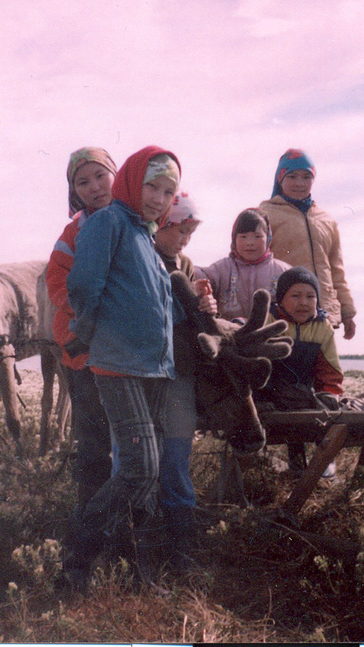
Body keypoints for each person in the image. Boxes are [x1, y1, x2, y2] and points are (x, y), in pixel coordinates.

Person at [61, 145, 183, 592]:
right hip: (119, 364)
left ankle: (138, 573)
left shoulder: (145, 237)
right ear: (132, 180)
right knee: (139, 470)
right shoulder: (108, 221)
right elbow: (83, 284)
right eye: (151, 185)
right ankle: (75, 559)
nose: (158, 196)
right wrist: (87, 332)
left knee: (146, 481)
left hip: (153, 369)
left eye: (168, 190)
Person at [45, 147, 118, 515]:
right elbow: (56, 279)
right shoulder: (73, 232)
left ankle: (127, 513)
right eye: (82, 182)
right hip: (83, 353)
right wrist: (81, 305)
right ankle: (90, 510)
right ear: (74, 190)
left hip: (126, 354)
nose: (94, 187)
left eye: (100, 176)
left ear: (117, 175)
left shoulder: (138, 222)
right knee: (92, 438)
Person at [151, 190, 215, 569]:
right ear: (160, 225)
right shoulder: (143, 258)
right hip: (146, 375)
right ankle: (135, 536)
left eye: (191, 230)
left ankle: (179, 546)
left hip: (181, 375)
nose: (186, 237)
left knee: (176, 457)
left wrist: (206, 306)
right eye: (180, 229)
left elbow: (196, 317)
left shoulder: (186, 264)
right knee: (139, 458)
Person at [259, 149, 357, 340]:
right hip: (281, 315)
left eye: (306, 177)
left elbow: (336, 270)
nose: (299, 183)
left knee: (324, 368)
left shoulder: (326, 220)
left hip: (324, 312)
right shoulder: (264, 214)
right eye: (292, 176)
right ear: (280, 178)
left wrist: (347, 312)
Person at [257, 266, 345, 473]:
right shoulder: (268, 320)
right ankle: (257, 464)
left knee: (325, 408)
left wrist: (330, 396)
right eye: (295, 295)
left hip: (302, 394)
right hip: (267, 392)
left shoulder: (322, 328)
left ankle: (322, 461)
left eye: (310, 296)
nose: (303, 302)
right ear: (281, 299)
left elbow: (330, 370)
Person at [198, 207, 290, 322]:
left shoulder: (283, 271)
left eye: (257, 237)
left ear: (268, 238)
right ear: (234, 239)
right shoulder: (221, 269)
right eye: (243, 237)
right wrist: (201, 291)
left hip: (270, 335)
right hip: (230, 335)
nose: (250, 243)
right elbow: (198, 276)